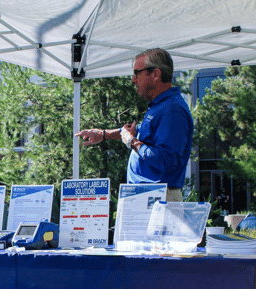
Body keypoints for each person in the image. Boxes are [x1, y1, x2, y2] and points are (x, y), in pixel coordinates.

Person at [75, 48, 193, 202]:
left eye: (137, 73)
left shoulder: (172, 110)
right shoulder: (161, 106)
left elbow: (165, 161)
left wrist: (131, 142)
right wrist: (105, 134)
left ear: (156, 74)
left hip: (159, 197)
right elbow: (141, 132)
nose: (133, 79)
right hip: (150, 196)